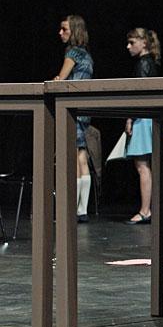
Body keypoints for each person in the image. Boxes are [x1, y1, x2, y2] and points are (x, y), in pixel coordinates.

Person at [53, 15, 94, 223]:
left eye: (65, 29)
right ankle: (82, 209)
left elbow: (61, 80)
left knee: (73, 157)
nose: (60, 33)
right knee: (82, 157)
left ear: (75, 31)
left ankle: (71, 208)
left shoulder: (73, 53)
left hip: (73, 109)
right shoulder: (87, 55)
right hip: (85, 109)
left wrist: (55, 80)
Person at [124, 28, 161, 225]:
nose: (128, 47)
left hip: (143, 118)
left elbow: (140, 94)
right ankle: (147, 208)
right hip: (146, 117)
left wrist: (130, 117)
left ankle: (145, 210)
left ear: (144, 43)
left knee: (142, 166)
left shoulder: (144, 64)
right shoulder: (148, 62)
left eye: (132, 42)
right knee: (145, 165)